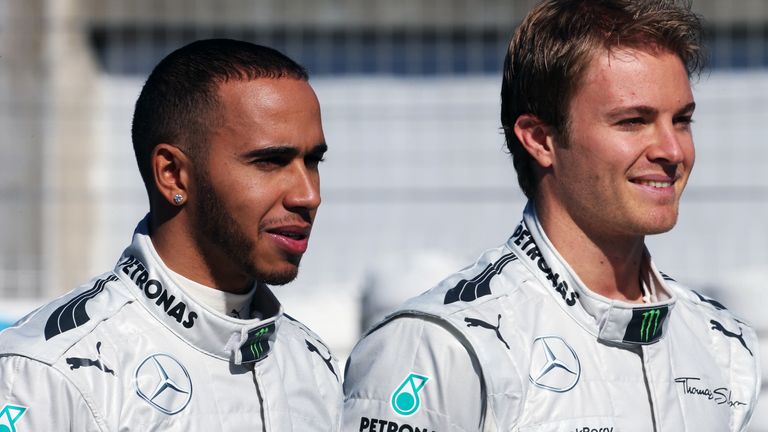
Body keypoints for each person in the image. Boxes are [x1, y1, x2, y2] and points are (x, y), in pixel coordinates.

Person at [342, 1, 761, 431]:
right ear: (541, 139)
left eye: (682, 120)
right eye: (633, 121)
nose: (672, 151)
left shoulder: (723, 346)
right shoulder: (443, 345)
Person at [0, 39, 341, 430]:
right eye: (270, 161)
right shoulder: (48, 373)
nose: (308, 195)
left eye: (312, 160)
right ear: (173, 174)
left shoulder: (313, 363)